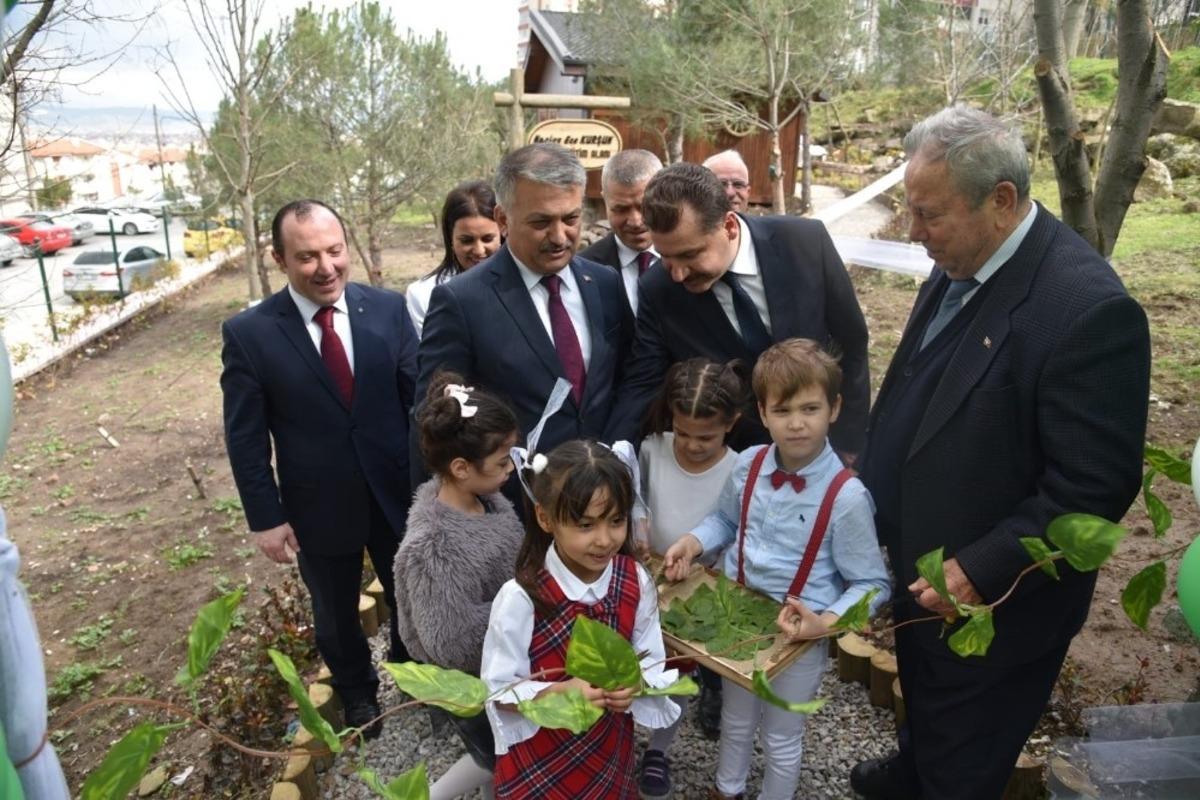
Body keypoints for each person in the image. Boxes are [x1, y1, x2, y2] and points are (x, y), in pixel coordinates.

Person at [853, 106, 1151, 800]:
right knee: (926, 697)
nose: (912, 232)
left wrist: (980, 568)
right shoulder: (965, 255)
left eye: (928, 215)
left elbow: (1093, 489)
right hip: (926, 573)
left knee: (967, 750)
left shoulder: (1087, 312)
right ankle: (914, 766)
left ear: (1003, 200)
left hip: (992, 604)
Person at [221, 199, 418, 739]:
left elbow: (417, 398)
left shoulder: (387, 309)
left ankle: (413, 676)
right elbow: (244, 435)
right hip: (317, 503)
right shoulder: (250, 334)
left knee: (409, 592)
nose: (326, 267)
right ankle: (358, 694)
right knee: (333, 611)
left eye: (335, 251)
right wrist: (265, 516)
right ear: (279, 259)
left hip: (394, 489)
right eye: (307, 257)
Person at [664, 338, 891, 800]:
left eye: (810, 408)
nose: (797, 423)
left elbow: (871, 584)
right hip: (739, 623)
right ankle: (727, 789)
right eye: (783, 411)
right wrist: (693, 541)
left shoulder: (845, 496)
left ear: (834, 408)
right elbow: (726, 519)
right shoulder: (749, 465)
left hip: (797, 637)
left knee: (783, 736)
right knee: (736, 716)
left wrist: (823, 623)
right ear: (763, 415)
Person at [604, 162, 870, 461]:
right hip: (737, 463)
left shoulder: (803, 242)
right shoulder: (658, 288)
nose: (677, 274)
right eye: (665, 257)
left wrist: (849, 445)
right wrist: (610, 456)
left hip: (824, 450)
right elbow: (643, 382)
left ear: (729, 226)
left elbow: (853, 342)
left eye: (690, 255)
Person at [417, 143, 634, 482]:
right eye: (541, 222)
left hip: (602, 498)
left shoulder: (604, 283)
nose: (560, 236)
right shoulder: (461, 301)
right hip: (512, 508)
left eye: (571, 218)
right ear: (503, 219)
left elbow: (626, 381)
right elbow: (433, 419)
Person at [481, 440, 681, 800]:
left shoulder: (634, 580)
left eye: (616, 521)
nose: (605, 540)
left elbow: (652, 659)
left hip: (607, 751)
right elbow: (497, 691)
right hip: (540, 758)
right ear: (546, 518)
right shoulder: (522, 598)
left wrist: (637, 684)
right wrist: (557, 692)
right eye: (585, 524)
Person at [393, 373, 525, 800]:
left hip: (503, 660)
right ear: (462, 468)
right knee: (491, 755)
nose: (511, 469)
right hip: (474, 680)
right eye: (503, 462)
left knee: (500, 754)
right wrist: (524, 606)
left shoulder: (484, 499)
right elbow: (451, 639)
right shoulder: (435, 545)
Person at [635, 357, 745, 791]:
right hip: (650, 576)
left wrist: (706, 564)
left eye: (707, 436)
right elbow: (637, 505)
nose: (693, 445)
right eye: (683, 433)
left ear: (732, 424)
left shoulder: (737, 468)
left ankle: (659, 749)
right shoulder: (651, 449)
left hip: (701, 584)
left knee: (677, 671)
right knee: (641, 664)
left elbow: (735, 528)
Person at [406, 181, 503, 337]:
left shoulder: (527, 283)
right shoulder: (423, 295)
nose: (479, 251)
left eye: (487, 239)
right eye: (467, 240)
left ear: (502, 232)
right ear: (450, 239)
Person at [579, 149, 663, 314]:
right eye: (621, 209)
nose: (635, 221)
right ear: (605, 201)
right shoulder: (582, 269)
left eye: (644, 207)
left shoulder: (692, 260)